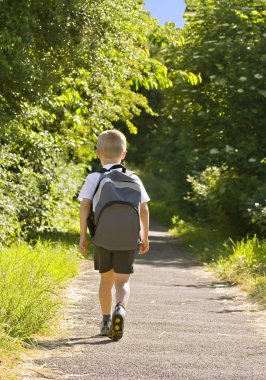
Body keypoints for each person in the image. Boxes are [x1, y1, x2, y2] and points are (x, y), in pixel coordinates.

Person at [78, 129, 150, 340]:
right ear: (124, 154)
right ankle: (121, 308)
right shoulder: (134, 178)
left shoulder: (94, 177)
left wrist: (83, 236)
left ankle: (106, 320)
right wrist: (144, 236)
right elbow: (143, 209)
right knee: (122, 282)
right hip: (127, 239)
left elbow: (84, 207)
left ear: (98, 153)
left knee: (105, 280)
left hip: (102, 236)